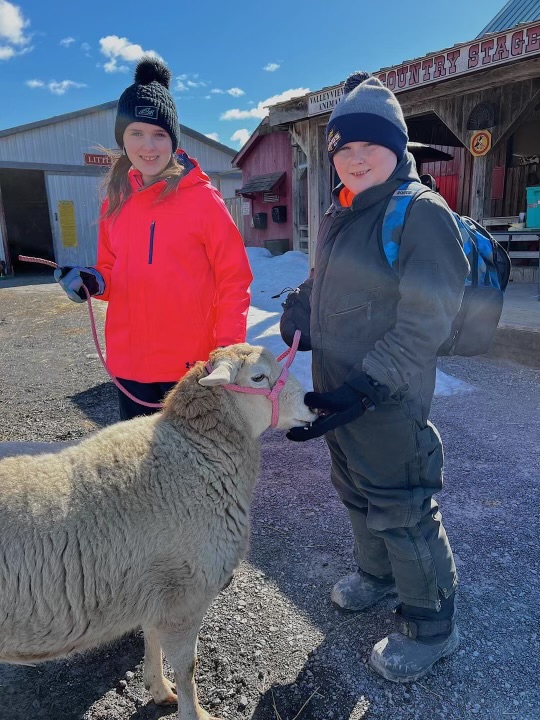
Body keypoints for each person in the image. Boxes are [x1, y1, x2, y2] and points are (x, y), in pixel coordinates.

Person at [284, 71, 469, 682]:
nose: (356, 158)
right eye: (344, 148)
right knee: (355, 490)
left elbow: (430, 317)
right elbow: (329, 283)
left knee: (402, 505)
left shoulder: (419, 214)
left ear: (398, 150)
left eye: (370, 146)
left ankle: (430, 623)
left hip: (386, 400)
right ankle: (377, 575)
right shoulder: (344, 212)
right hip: (341, 395)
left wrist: (370, 382)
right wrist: (301, 307)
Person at [55, 57, 253, 420]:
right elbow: (111, 271)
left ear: (173, 139)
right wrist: (91, 280)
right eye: (136, 133)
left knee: (191, 471)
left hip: (190, 369)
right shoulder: (114, 200)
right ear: (123, 138)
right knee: (141, 471)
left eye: (159, 134)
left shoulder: (202, 199)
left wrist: (228, 351)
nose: (148, 146)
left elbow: (234, 279)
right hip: (130, 365)